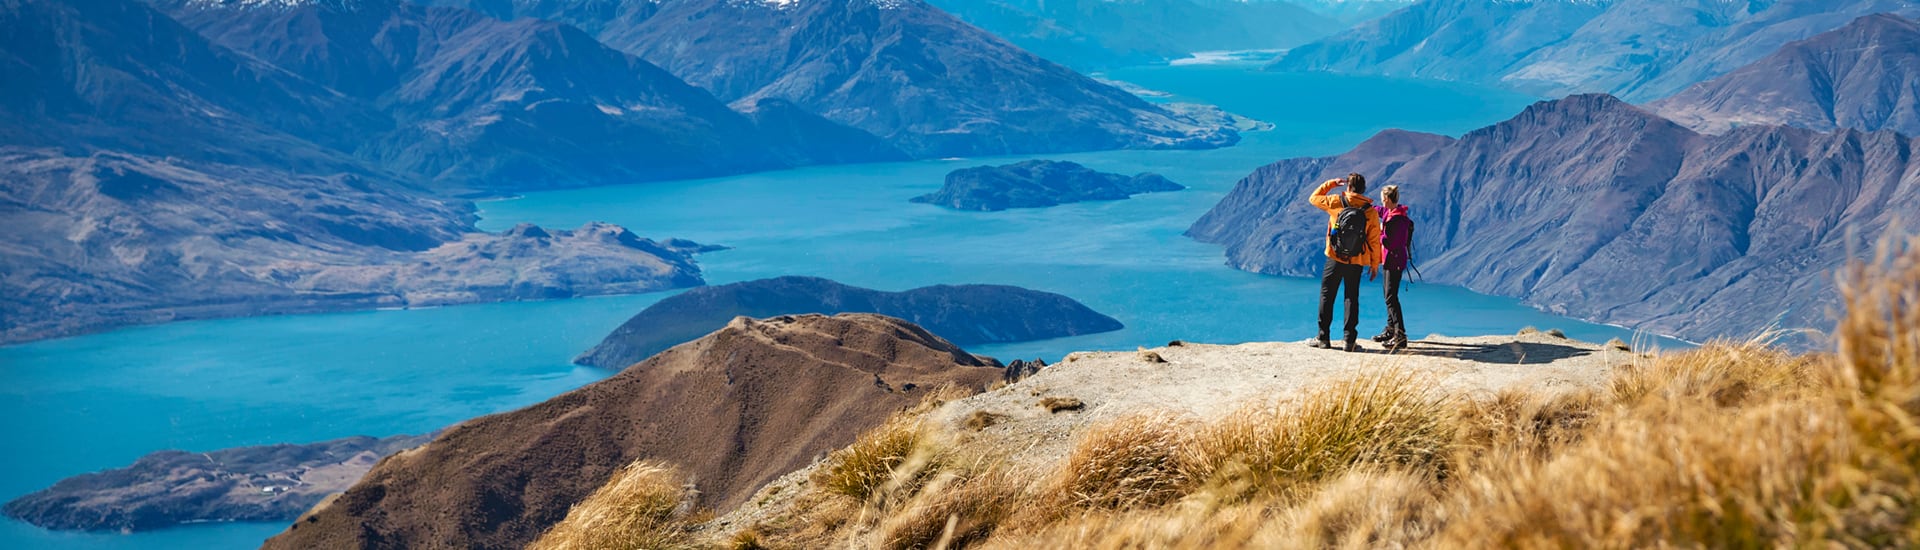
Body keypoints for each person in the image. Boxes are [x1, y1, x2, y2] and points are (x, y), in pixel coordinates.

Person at [1307, 173, 1383, 352]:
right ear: (1363, 189)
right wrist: (1374, 264)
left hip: (1334, 257)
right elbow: (1374, 240)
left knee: (1327, 295)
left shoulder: (1335, 202)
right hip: (1357, 259)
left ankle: (1323, 338)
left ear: (1347, 187)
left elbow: (1313, 198)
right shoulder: (1370, 211)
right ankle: (1349, 341)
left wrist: (1331, 183)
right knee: (1351, 297)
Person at [1372, 185, 1413, 350]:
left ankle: (1400, 335)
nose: (1381, 202)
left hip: (1394, 261)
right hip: (1391, 261)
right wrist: (1366, 206)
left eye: (1382, 199)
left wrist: (1380, 231)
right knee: (1388, 295)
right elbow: (1381, 211)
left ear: (1387, 199)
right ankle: (1391, 330)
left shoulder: (1396, 220)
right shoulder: (1392, 212)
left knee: (1391, 297)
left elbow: (1389, 242)